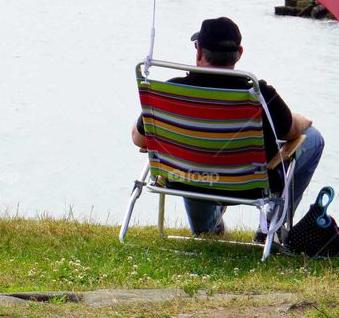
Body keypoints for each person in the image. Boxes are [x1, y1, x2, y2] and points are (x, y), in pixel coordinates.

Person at [131, 17, 323, 239]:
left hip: (186, 179)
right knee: (314, 138)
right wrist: (303, 120)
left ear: (199, 52)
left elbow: (139, 139)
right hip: (248, 186)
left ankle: (207, 230)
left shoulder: (170, 92)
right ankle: (269, 227)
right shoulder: (259, 95)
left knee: (194, 161)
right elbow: (292, 131)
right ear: (239, 53)